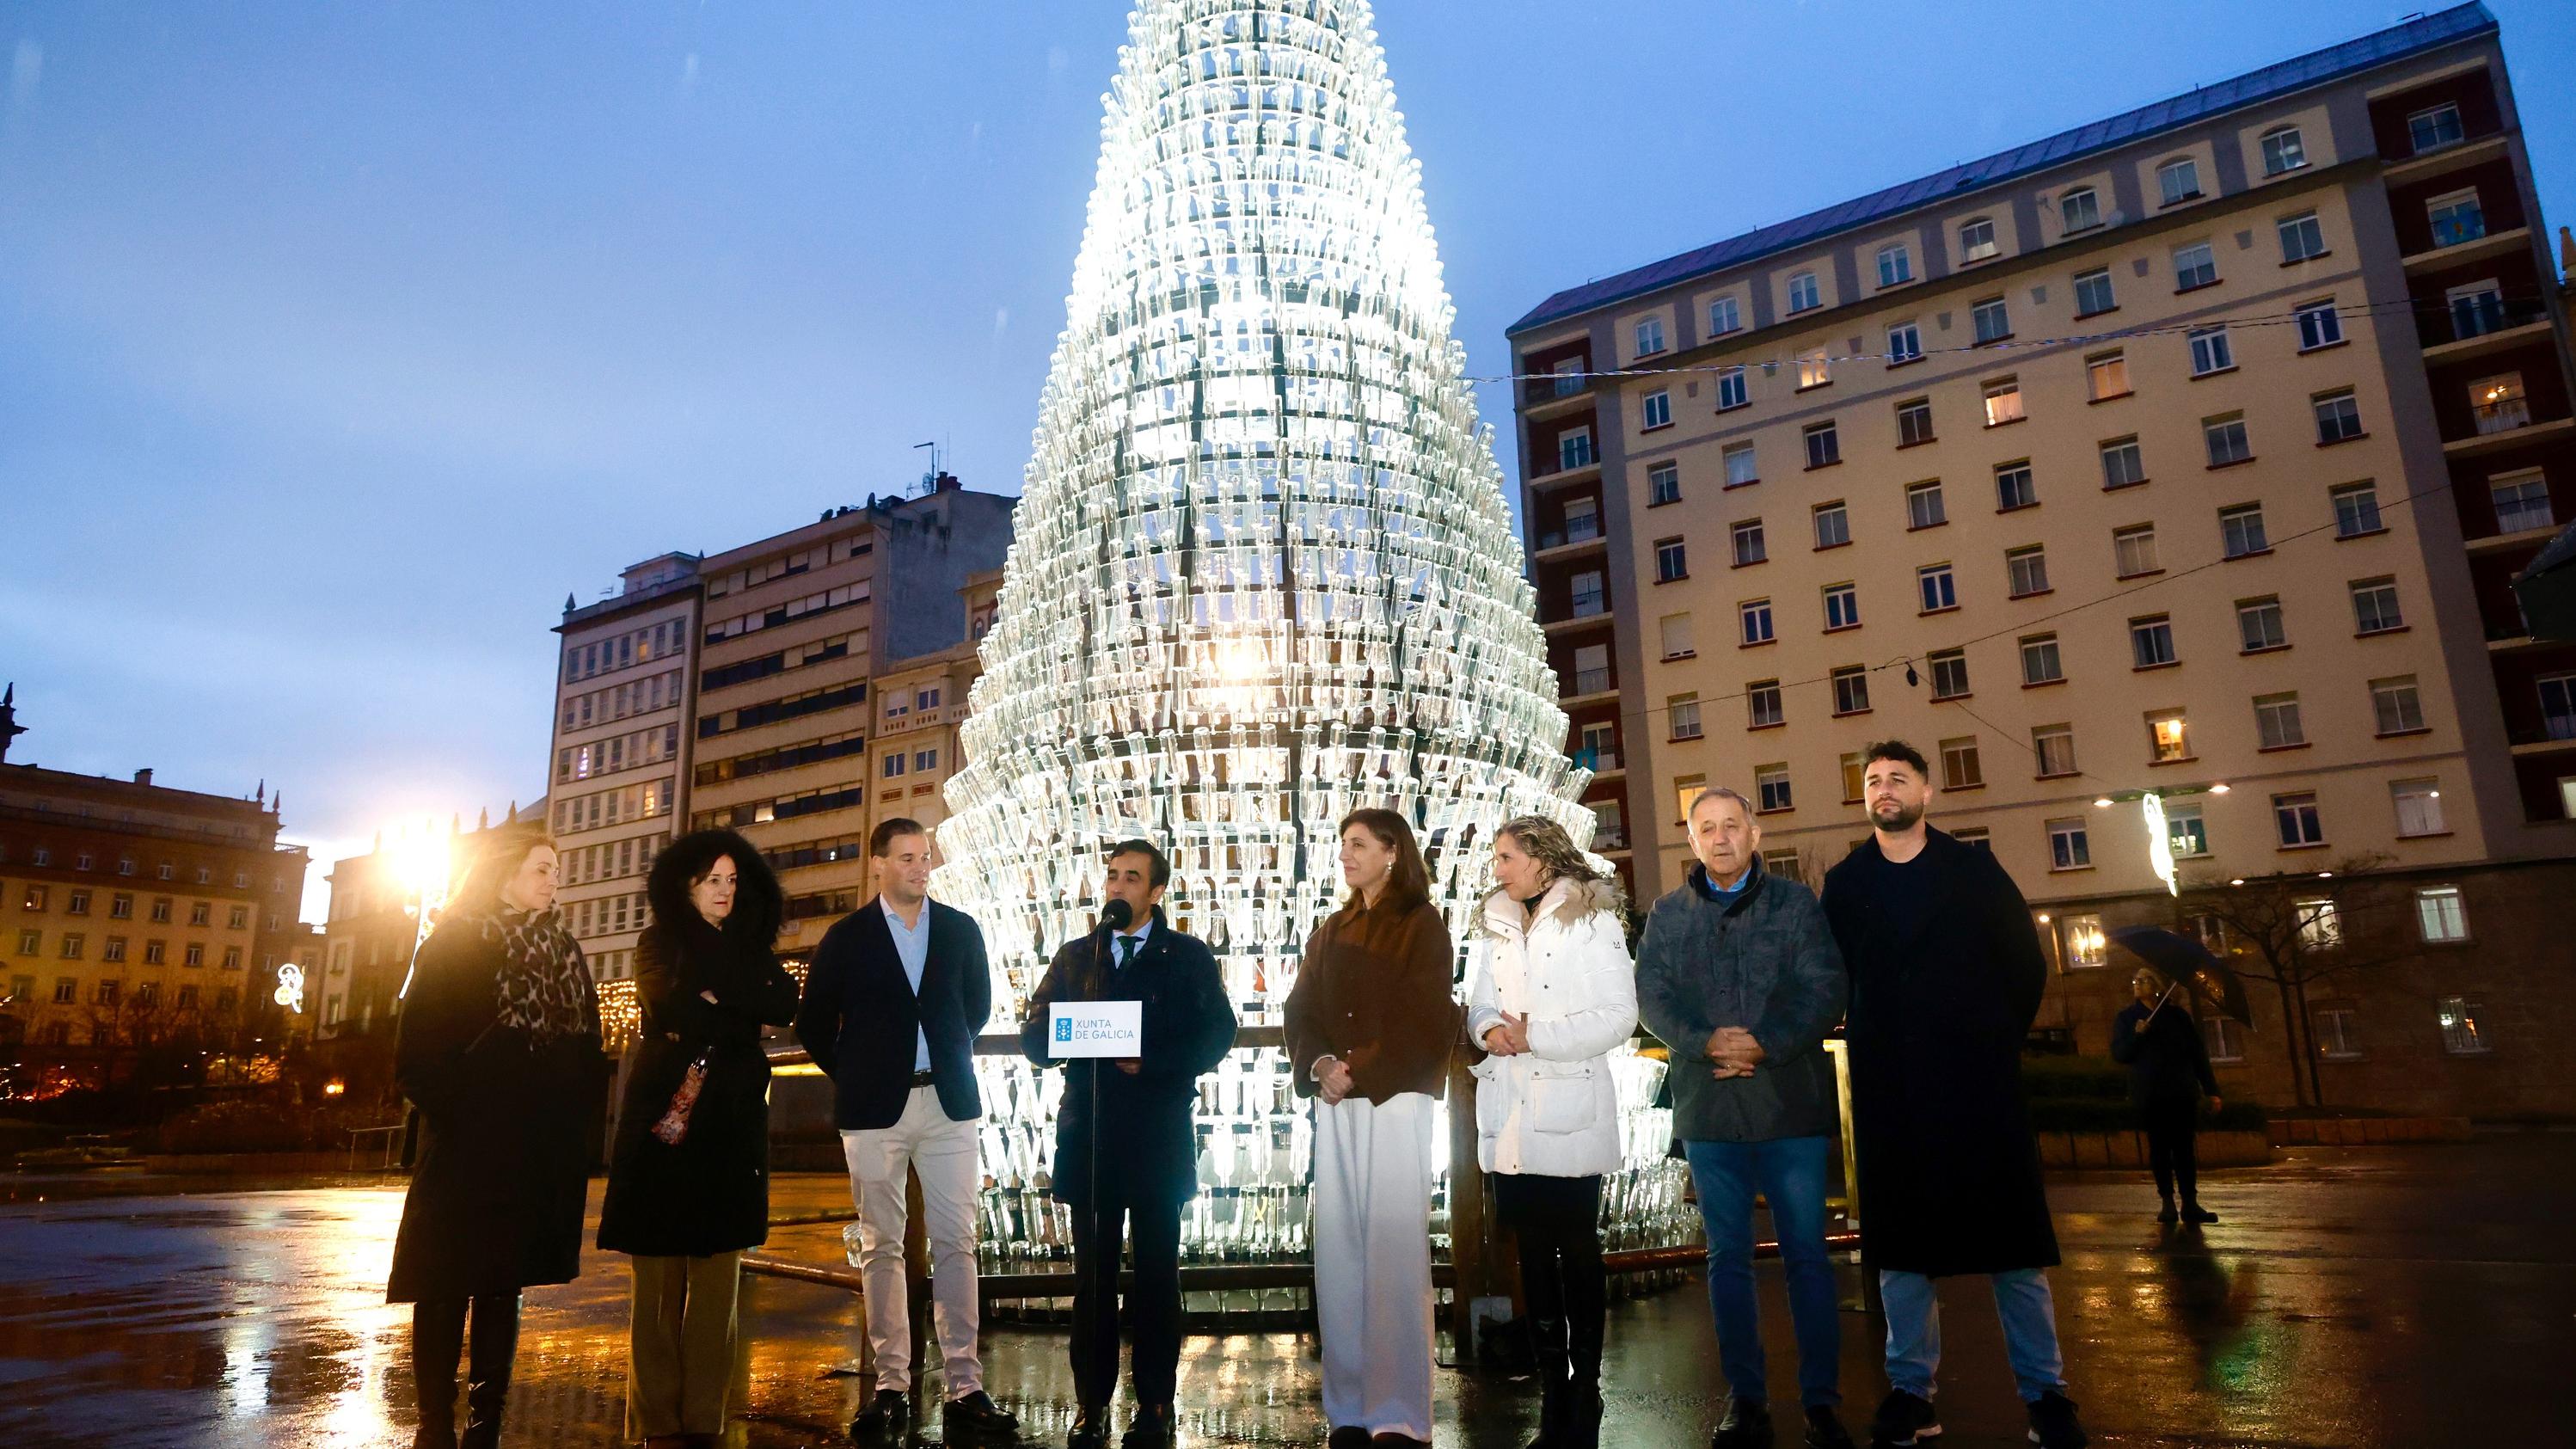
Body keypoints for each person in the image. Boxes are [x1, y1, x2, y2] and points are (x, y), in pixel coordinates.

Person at [1819, 741, 2088, 1449]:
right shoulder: (1846, 883)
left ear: (1926, 792)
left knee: (2013, 1249)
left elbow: (2023, 963)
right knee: (1903, 1251)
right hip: (1891, 1090)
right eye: (1872, 778)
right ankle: (1911, 1392)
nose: (1883, 787)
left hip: (1977, 1088)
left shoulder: (1973, 870)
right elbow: (1829, 974)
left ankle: (2046, 1394)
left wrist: (1993, 1040)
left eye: (1897, 778)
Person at [1636, 789, 1853, 1449]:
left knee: (1808, 1260)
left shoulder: (1795, 904)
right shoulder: (1668, 915)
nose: (1722, 837)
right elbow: (1652, 995)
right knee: (1727, 1260)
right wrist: (1707, 1044)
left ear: (1754, 833)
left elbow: (1826, 986)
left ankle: (1821, 1401)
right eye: (1709, 828)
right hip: (1710, 1113)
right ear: (1693, 841)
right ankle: (1747, 1399)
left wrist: (1765, 1042)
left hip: (1789, 1106)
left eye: (1733, 825)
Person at [794, 818, 1019, 1444]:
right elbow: (813, 1023)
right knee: (881, 1245)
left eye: (925, 857)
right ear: (879, 864)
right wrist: (858, 1072)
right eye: (907, 857)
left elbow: (975, 1008)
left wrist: (938, 1058)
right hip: (873, 1112)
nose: (921, 867)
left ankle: (965, 1385)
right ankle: (891, 1384)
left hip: (948, 1105)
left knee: (957, 1241)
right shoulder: (845, 937)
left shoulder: (960, 929)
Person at [388, 823, 604, 1449]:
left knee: (501, 1283)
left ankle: (487, 1423)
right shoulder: (454, 943)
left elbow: (586, 1047)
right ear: (503, 873)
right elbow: (416, 1055)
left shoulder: (563, 949)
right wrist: (472, 1111)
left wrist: (568, 1116)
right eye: (542, 867)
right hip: (463, 1146)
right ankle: (434, 1424)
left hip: (531, 1150)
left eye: (556, 867)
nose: (554, 878)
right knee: (444, 1282)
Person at [1019, 840, 1238, 1449]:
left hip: (1158, 1134)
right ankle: (1091, 1403)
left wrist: (1155, 1061)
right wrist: (1066, 1034)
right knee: (1093, 1277)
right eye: (1112, 875)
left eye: (1132, 878)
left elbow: (1217, 1031)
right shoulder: (1077, 955)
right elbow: (1035, 1036)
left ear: (1157, 891)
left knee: (1156, 1276)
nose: (1117, 886)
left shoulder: (1187, 955)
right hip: (1088, 1136)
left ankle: (1157, 1403)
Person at [598, 830, 801, 1448]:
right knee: (658, 1276)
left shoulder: (745, 945)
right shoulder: (657, 942)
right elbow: (676, 1004)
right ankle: (659, 1420)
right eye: (713, 879)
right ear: (686, 884)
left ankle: (704, 1417)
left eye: (733, 880)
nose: (724, 890)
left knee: (718, 1277)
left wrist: (719, 989)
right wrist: (731, 999)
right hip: (668, 1117)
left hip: (731, 1121)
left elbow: (785, 1000)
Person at [1283, 808, 1458, 1449]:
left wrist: (1357, 1067)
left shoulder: (1421, 923)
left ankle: (1400, 1411)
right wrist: (1321, 1064)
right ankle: (1350, 1407)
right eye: (1342, 845)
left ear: (1392, 852)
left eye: (1358, 844)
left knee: (1392, 1249)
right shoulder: (1331, 929)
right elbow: (1299, 1007)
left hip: (1394, 1098)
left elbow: (1427, 1012)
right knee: (1340, 1251)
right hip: (1336, 1099)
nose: (1345, 855)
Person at [1464, 816, 1637, 1449]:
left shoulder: (1590, 918)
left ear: (1540, 858)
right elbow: (1479, 999)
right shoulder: (1498, 923)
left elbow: (1620, 1013)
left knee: (1576, 1247)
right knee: (1532, 1253)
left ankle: (1584, 1384)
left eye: (1506, 856)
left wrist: (1536, 1034)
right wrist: (1490, 1032)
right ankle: (1552, 1387)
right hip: (1512, 1107)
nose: (1498, 868)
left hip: (1568, 1108)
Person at [2112, 968, 2223, 1225]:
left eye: (2145, 980)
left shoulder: (2177, 1017)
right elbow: (2121, 1054)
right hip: (2150, 1095)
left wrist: (2212, 1090)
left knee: (2184, 1149)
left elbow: (2197, 1056)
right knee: (2159, 1149)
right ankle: (2167, 1202)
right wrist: (2137, 1035)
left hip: (2181, 1092)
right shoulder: (2128, 1018)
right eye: (2135, 980)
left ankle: (2190, 1203)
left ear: (2158, 985)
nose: (2138, 984)